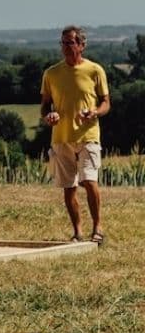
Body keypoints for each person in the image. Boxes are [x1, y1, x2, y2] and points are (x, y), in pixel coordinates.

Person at [40, 25, 110, 244]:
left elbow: (106, 102)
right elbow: (45, 105)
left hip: (88, 134)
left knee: (89, 180)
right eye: (63, 43)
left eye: (70, 42)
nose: (65, 47)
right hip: (61, 137)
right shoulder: (51, 73)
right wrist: (49, 115)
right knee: (69, 187)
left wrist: (95, 112)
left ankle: (97, 227)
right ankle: (77, 232)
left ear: (81, 45)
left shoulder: (95, 70)